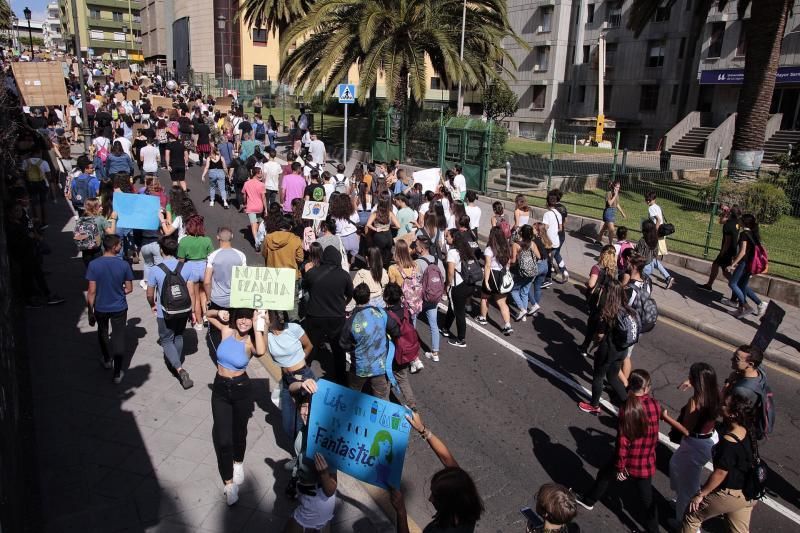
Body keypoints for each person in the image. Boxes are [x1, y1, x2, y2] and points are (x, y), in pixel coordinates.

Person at [577, 369, 659, 533]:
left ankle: (589, 500)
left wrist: (622, 467)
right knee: (647, 499)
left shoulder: (627, 410)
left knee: (604, 476)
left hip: (629, 461)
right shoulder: (654, 405)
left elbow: (623, 443)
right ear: (645, 389)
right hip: (646, 459)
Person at [204, 308, 267, 506]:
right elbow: (207, 315)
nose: (243, 322)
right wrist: (219, 311)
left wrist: (258, 324)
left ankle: (238, 461)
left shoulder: (251, 342)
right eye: (241, 317)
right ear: (235, 318)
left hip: (241, 390)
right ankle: (229, 484)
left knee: (239, 432)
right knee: (223, 439)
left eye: (248, 319)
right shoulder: (226, 331)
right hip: (220, 389)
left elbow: (262, 351)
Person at [390, 412, 484, 533]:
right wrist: (422, 429)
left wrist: (401, 512)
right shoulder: (467, 507)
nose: (430, 499)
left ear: (449, 503)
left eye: (436, 497)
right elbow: (446, 458)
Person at [680, 391, 758, 533]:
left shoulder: (729, 441)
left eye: (724, 405)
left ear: (732, 414)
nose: (720, 405)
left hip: (730, 494)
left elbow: (721, 473)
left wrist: (701, 494)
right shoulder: (747, 429)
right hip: (747, 494)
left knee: (692, 516)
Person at [661, 362, 721, 525]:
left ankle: (684, 522)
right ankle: (682, 496)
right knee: (674, 465)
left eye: (690, 376)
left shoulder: (695, 401)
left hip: (695, 444)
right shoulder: (715, 393)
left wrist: (666, 418)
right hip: (710, 438)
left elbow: (686, 430)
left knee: (689, 488)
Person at [578, 280, 636, 413]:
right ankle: (631, 408)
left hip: (608, 349)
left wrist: (595, 341)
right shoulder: (626, 309)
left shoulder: (608, 311)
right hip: (622, 350)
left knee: (598, 376)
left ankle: (594, 405)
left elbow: (600, 335)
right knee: (613, 377)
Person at [146, 236, 195, 390]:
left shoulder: (155, 269)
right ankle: (176, 361)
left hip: (165, 311)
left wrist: (153, 304)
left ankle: (178, 368)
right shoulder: (186, 267)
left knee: (166, 339)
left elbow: (149, 293)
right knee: (179, 335)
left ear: (161, 250)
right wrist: (192, 311)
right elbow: (191, 292)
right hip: (183, 309)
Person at [86, 234, 134, 384]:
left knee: (103, 332)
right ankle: (117, 372)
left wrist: (90, 311)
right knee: (119, 337)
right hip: (119, 307)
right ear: (114, 247)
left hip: (100, 307)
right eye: (119, 245)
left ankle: (107, 359)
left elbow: (91, 291)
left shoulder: (94, 265)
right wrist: (120, 292)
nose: (121, 247)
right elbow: (129, 288)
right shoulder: (124, 265)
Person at [304, 247, 354, 385]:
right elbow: (350, 294)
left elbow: (305, 287)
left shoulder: (312, 273)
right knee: (338, 349)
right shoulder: (344, 275)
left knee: (311, 346)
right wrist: (343, 304)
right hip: (336, 317)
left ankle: (304, 374)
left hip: (315, 316)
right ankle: (341, 379)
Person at [339, 283, 398, 400]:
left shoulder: (351, 320)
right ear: (368, 297)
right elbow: (395, 330)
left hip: (359, 367)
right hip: (379, 366)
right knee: (381, 400)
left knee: (353, 397)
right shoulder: (380, 313)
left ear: (355, 299)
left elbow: (343, 344)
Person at [262, 309, 315, 437]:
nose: (262, 316)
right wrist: (263, 328)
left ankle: (304, 452)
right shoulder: (267, 336)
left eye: (265, 313)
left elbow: (309, 345)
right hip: (286, 380)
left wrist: (300, 361)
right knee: (288, 425)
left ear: (273, 315)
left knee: (307, 418)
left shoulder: (293, 328)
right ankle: (298, 449)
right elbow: (262, 351)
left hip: (303, 376)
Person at [383, 282, 418, 409]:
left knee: (385, 379)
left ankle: (385, 406)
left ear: (386, 298)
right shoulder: (405, 310)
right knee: (402, 377)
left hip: (391, 353)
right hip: (406, 351)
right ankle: (411, 404)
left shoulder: (386, 315)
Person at [262, 218, 304, 321]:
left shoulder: (268, 238)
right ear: (289, 227)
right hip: (291, 275)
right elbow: (300, 258)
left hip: (273, 274)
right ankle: (293, 323)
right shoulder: (295, 239)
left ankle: (278, 321)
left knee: (276, 299)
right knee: (292, 301)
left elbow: (264, 254)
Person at [579, 245, 617, 356]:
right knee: (602, 327)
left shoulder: (596, 268)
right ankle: (598, 349)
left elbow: (591, 284)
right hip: (609, 301)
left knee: (592, 324)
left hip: (597, 301)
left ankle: (585, 347)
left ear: (602, 254)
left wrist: (587, 283)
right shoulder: (614, 270)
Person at [441, 230, 477, 348]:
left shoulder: (452, 253)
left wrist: (448, 284)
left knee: (459, 312)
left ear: (454, 238)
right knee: (454, 306)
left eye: (448, 236)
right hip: (469, 284)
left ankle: (461, 339)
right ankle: (446, 328)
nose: (446, 238)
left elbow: (450, 271)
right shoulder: (465, 249)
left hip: (458, 285)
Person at [177, 214, 213, 331]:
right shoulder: (207, 240)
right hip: (204, 267)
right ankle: (206, 314)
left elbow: (181, 260)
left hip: (190, 268)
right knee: (204, 293)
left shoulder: (184, 241)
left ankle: (199, 322)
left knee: (195, 296)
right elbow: (211, 257)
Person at [727, 214, 766, 318]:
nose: (738, 220)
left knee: (733, 284)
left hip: (744, 263)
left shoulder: (744, 234)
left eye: (740, 219)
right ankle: (741, 309)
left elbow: (743, 251)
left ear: (744, 222)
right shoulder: (753, 233)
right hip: (750, 264)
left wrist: (733, 264)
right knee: (742, 286)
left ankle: (746, 307)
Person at [477, 226, 513, 336]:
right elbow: (508, 263)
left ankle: (483, 317)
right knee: (502, 302)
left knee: (484, 297)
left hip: (492, 275)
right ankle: (507, 325)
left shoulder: (489, 249)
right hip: (502, 275)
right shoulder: (506, 247)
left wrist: (486, 281)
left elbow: (487, 266)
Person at [698, 204, 741, 293]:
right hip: (731, 250)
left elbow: (727, 242)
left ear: (731, 214)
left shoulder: (729, 225)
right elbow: (721, 221)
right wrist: (725, 212)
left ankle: (737, 287)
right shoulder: (736, 222)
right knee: (719, 267)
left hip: (727, 250)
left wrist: (722, 252)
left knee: (723, 270)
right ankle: (710, 285)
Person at [415, 234, 445, 363]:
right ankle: (435, 352)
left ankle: (414, 352)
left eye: (416, 246)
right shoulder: (438, 261)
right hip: (434, 297)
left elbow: (415, 282)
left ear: (421, 249)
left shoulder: (417, 263)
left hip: (421, 298)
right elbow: (442, 277)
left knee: (412, 323)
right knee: (433, 324)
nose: (415, 248)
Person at [509, 225, 543, 322]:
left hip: (522, 272)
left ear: (521, 233)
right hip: (533, 271)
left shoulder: (516, 245)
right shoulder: (532, 244)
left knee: (513, 290)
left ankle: (522, 309)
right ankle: (523, 315)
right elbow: (539, 256)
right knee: (524, 291)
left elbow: (513, 260)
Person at [635, 219, 674, 289]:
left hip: (644, 267)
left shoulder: (642, 241)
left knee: (640, 286)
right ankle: (668, 277)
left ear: (644, 230)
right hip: (651, 265)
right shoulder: (655, 239)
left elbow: (639, 255)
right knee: (645, 284)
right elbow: (655, 253)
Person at [366, 195, 401, 267]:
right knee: (387, 254)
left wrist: (375, 229)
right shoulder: (390, 213)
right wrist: (389, 226)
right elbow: (398, 226)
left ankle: (378, 271)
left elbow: (368, 224)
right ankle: (386, 269)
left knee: (378, 255)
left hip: (378, 235)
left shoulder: (375, 213)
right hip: (388, 235)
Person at [543, 191, 569, 283]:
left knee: (549, 256)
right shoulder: (563, 207)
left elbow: (546, 227)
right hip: (561, 235)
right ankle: (564, 271)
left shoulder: (551, 211)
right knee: (556, 254)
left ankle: (548, 277)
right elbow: (565, 221)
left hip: (553, 236)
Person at [596, 180, 625, 246]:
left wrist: (622, 213)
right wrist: (614, 195)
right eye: (617, 187)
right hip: (608, 212)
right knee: (612, 230)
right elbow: (609, 203)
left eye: (619, 187)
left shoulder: (617, 195)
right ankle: (611, 245)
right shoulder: (608, 193)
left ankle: (598, 240)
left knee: (604, 228)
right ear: (613, 186)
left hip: (613, 212)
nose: (618, 189)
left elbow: (617, 204)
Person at [242, 167, 266, 248]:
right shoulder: (262, 185)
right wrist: (265, 208)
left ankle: (256, 241)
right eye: (260, 172)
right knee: (259, 223)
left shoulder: (246, 183)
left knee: (253, 225)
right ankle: (259, 237)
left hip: (250, 207)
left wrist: (245, 203)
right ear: (257, 174)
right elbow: (263, 198)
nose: (261, 174)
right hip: (259, 207)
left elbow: (244, 196)